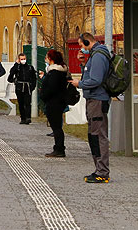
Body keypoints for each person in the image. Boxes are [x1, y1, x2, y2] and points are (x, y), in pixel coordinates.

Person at [71, 32, 111, 183]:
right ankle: (99, 169)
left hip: (98, 100)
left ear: (87, 42)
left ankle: (102, 172)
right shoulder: (94, 55)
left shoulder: (99, 56)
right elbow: (90, 76)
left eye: (82, 45)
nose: (81, 49)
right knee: (93, 135)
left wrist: (79, 84)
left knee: (98, 135)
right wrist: (82, 63)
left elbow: (95, 80)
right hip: (93, 99)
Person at [39, 49, 70, 157]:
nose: (46, 59)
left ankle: (59, 149)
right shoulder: (60, 71)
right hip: (57, 101)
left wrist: (43, 95)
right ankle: (59, 148)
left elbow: (51, 88)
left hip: (54, 102)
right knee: (56, 126)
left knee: (56, 127)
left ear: (51, 59)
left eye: (47, 57)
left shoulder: (55, 72)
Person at [7, 52, 37, 124]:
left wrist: (32, 87)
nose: (23, 60)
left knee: (27, 103)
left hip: (27, 87)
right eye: (21, 59)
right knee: (21, 103)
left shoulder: (30, 67)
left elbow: (34, 78)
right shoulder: (17, 67)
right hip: (19, 87)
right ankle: (23, 118)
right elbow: (11, 74)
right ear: (19, 60)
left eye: (24, 59)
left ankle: (28, 117)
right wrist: (16, 64)